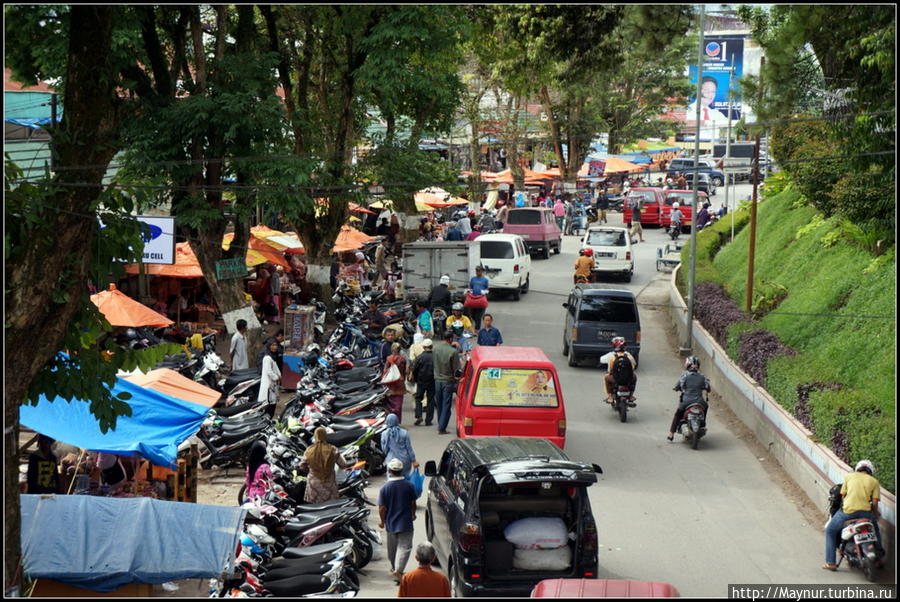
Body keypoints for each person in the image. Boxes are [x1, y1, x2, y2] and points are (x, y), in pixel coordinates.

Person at [823, 459, 885, 570]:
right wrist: (875, 513)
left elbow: (842, 495)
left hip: (847, 512)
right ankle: (879, 558)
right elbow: (875, 503)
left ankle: (831, 562)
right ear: (870, 471)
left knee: (830, 530)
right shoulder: (874, 482)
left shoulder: (849, 477)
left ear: (857, 469)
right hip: (866, 513)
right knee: (875, 530)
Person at [378, 458, 418, 585]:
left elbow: (382, 508)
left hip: (391, 524)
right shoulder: (409, 485)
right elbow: (413, 503)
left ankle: (395, 568)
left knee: (392, 548)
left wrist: (382, 522)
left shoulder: (385, 488)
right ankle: (399, 570)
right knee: (405, 547)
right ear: (402, 471)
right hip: (406, 523)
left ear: (389, 471)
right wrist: (413, 514)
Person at [300, 426, 352, 503]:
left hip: (313, 484)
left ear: (315, 436)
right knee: (329, 508)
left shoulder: (309, 450)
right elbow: (343, 464)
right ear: (325, 436)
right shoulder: (333, 449)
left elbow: (302, 466)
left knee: (315, 509)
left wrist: (311, 471)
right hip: (329, 484)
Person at [666, 355, 709, 440]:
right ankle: (702, 422)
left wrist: (676, 388)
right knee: (706, 406)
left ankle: (671, 434)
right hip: (699, 402)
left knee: (678, 414)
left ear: (687, 365)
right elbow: (708, 388)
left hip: (686, 401)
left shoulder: (684, 375)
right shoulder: (702, 377)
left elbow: (677, 386)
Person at [432, 329, 460, 435]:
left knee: (439, 404)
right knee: (446, 405)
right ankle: (442, 428)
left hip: (437, 380)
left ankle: (440, 423)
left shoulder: (435, 349)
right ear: (451, 339)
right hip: (448, 380)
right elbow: (457, 370)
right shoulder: (453, 352)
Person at [409, 338, 436, 426]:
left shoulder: (420, 357)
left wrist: (416, 379)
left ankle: (418, 416)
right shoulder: (435, 357)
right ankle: (428, 420)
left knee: (418, 398)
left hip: (421, 381)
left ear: (424, 347)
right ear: (431, 346)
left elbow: (415, 370)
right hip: (432, 381)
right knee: (430, 400)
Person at [604, 336, 637, 406]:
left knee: (606, 378)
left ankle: (610, 396)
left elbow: (609, 370)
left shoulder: (612, 357)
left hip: (616, 380)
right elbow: (633, 367)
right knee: (635, 377)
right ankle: (631, 395)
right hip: (628, 379)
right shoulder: (629, 356)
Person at [382, 343, 408, 419]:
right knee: (398, 403)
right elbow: (404, 371)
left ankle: (390, 419)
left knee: (390, 403)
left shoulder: (388, 358)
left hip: (391, 384)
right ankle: (397, 419)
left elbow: (385, 370)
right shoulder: (402, 359)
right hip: (400, 383)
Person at [258, 339, 282, 405]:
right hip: (268, 385)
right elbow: (269, 372)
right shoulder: (267, 358)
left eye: (276, 345)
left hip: (272, 385)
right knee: (269, 404)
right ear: (269, 346)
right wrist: (277, 377)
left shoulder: (272, 356)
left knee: (272, 403)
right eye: (273, 345)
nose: (275, 347)